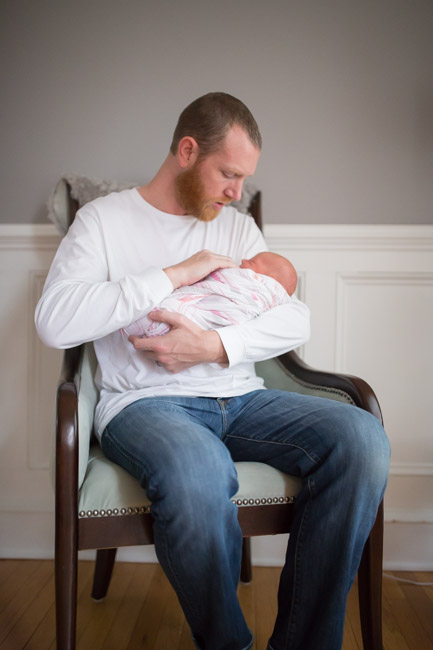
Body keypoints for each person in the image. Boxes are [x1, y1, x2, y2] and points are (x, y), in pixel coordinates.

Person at [35, 92, 390, 650]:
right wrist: (172, 275)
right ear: (186, 150)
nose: (236, 192)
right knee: (199, 472)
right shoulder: (102, 221)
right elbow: (54, 323)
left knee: (362, 438)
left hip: (243, 397)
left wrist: (214, 345)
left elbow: (294, 316)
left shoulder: (236, 226)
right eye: (227, 174)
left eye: (243, 179)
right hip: (144, 405)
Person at [122, 251, 297, 339]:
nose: (242, 260)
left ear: (269, 280)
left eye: (251, 262)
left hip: (240, 389)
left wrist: (212, 346)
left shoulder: (258, 290)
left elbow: (297, 324)